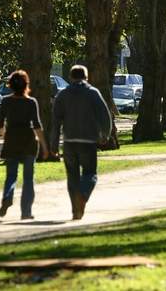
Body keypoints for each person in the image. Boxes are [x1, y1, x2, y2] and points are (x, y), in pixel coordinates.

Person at [51, 65, 112, 220]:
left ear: (71, 77)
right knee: (90, 173)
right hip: (88, 141)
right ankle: (83, 195)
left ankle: (75, 210)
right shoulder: (92, 93)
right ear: (86, 77)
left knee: (72, 177)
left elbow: (56, 122)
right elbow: (105, 116)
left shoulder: (63, 95)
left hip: (69, 142)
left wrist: (54, 145)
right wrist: (105, 134)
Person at [0, 70, 49, 220]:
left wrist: (6, 136)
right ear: (26, 84)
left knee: (11, 176)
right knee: (28, 178)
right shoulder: (31, 102)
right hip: (28, 140)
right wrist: (44, 146)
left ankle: (7, 196)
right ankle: (26, 211)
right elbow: (37, 125)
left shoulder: (6, 101)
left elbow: (0, 123)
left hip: (12, 139)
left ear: (10, 85)